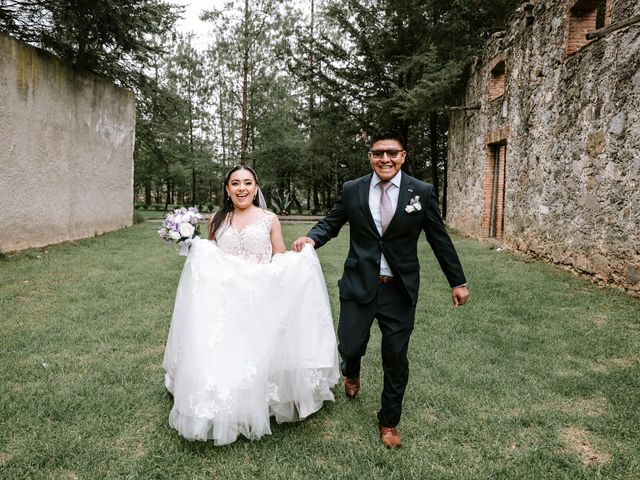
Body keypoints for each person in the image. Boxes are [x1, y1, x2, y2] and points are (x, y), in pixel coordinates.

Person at [292, 130, 469, 448]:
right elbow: (331, 222)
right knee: (350, 344)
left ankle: (388, 422)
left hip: (398, 290)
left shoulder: (422, 192)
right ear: (370, 157)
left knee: (396, 356)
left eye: (391, 152)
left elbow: (438, 238)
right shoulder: (352, 190)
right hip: (358, 283)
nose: (384, 159)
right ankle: (352, 370)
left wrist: (457, 280)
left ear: (403, 155)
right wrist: (311, 238)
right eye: (377, 153)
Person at [163, 165, 339, 445]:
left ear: (256, 188)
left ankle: (259, 396)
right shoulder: (217, 219)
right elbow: (211, 258)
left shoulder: (269, 219)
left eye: (247, 183)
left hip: (260, 294)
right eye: (235, 183)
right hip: (224, 297)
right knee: (224, 351)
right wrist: (193, 247)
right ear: (227, 189)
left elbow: (279, 257)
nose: (241, 188)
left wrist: (300, 257)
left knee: (257, 349)